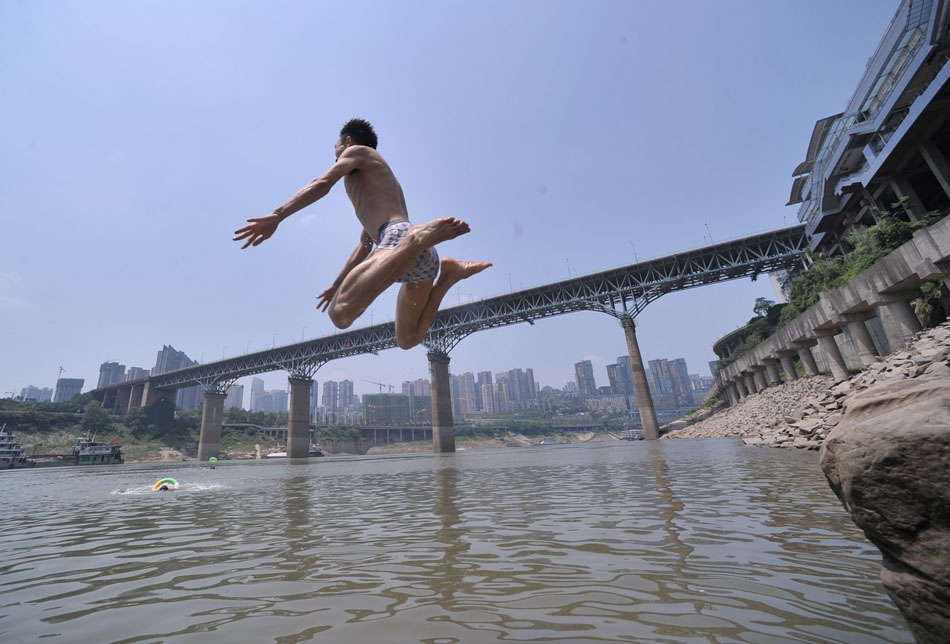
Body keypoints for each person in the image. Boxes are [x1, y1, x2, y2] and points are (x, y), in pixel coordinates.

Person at [233, 119, 491, 349]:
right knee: (408, 340)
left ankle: (414, 243)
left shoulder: (358, 151)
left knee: (340, 315)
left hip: (402, 238)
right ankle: (449, 275)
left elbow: (321, 184)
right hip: (421, 258)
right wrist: (336, 285)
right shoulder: (376, 191)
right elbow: (364, 247)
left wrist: (278, 215)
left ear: (347, 140)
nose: (335, 153)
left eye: (335, 146)